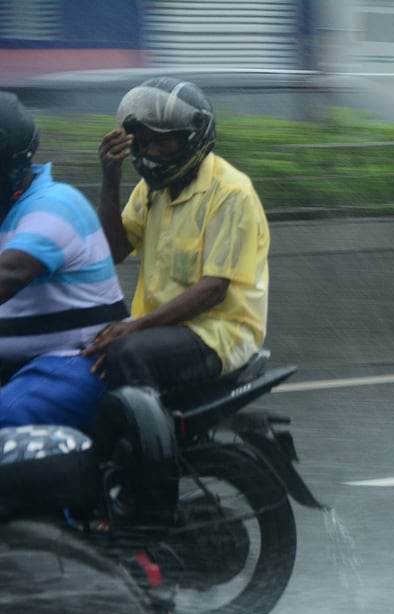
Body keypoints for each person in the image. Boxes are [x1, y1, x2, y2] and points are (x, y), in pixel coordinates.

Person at [87, 76, 269, 391]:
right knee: (86, 345)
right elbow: (113, 252)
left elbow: (213, 288)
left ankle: (151, 439)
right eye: (143, 143)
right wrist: (110, 179)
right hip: (158, 328)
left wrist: (136, 328)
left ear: (192, 139)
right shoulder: (150, 191)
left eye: (161, 141)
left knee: (127, 354)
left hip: (220, 332)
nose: (150, 152)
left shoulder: (230, 192)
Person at [0, 92, 128, 430]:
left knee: (4, 417)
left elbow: (9, 274)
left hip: (76, 359)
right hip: (16, 362)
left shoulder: (55, 204)